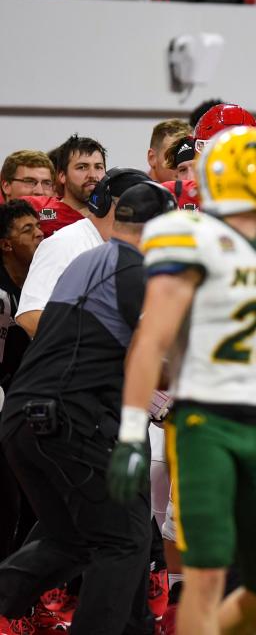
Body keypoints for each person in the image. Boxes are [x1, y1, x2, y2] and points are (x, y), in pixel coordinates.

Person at [107, 126, 256, 635]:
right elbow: (151, 341)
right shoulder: (188, 240)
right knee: (208, 573)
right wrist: (133, 428)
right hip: (207, 421)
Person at [0, 181, 176, 635]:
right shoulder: (135, 272)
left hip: (27, 417)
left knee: (73, 538)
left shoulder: (88, 260)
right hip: (70, 420)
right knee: (121, 539)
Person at [16, 168, 150, 337]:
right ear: (105, 204)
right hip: (70, 361)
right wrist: (96, 341)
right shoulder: (65, 243)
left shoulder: (132, 251)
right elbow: (30, 315)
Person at [0, 201, 43, 561]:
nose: (40, 233)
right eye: (27, 229)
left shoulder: (41, 282)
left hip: (27, 405)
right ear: (6, 243)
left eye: (38, 226)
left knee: (33, 502)